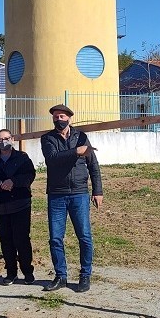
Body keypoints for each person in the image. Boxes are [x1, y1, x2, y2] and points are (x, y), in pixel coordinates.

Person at [40, 104, 103, 293]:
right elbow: (52, 159)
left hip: (79, 193)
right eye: (56, 117)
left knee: (84, 236)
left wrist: (98, 191)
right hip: (56, 194)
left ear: (69, 118)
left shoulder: (81, 137)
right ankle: (61, 276)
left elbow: (93, 165)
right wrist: (76, 151)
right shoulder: (47, 138)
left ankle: (85, 275)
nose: (59, 119)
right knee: (55, 238)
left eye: (62, 116)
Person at [0, 129, 36, 286]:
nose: (3, 141)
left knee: (22, 239)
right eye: (0, 139)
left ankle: (28, 272)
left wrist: (14, 182)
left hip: (20, 205)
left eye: (6, 138)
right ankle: (11, 272)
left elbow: (30, 175)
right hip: (0, 207)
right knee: (5, 240)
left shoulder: (22, 158)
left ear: (12, 139)